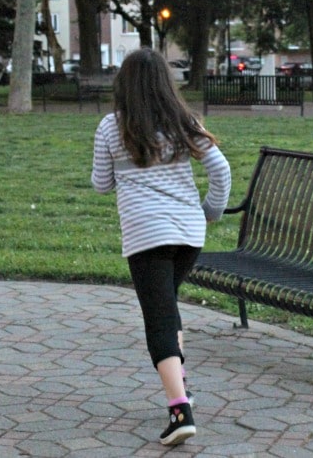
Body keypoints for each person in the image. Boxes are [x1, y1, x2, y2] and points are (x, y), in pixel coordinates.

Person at [91, 47, 231, 446]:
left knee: (158, 319)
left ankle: (178, 410)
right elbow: (220, 169)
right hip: (188, 235)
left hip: (147, 236)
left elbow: (101, 184)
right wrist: (210, 211)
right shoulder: (182, 121)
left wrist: (125, 171)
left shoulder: (110, 127)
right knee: (167, 308)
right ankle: (181, 387)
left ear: (124, 86)